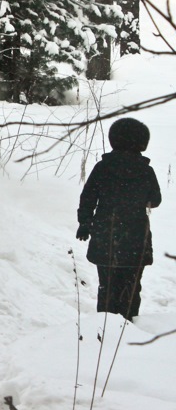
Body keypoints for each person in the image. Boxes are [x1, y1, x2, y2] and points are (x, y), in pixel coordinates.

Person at [76, 118, 162, 321]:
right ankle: (128, 326)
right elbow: (155, 200)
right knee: (131, 287)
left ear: (113, 139)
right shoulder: (146, 171)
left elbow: (88, 198)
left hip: (106, 235)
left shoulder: (102, 168)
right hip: (135, 238)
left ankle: (105, 326)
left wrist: (85, 223)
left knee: (106, 286)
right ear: (142, 142)